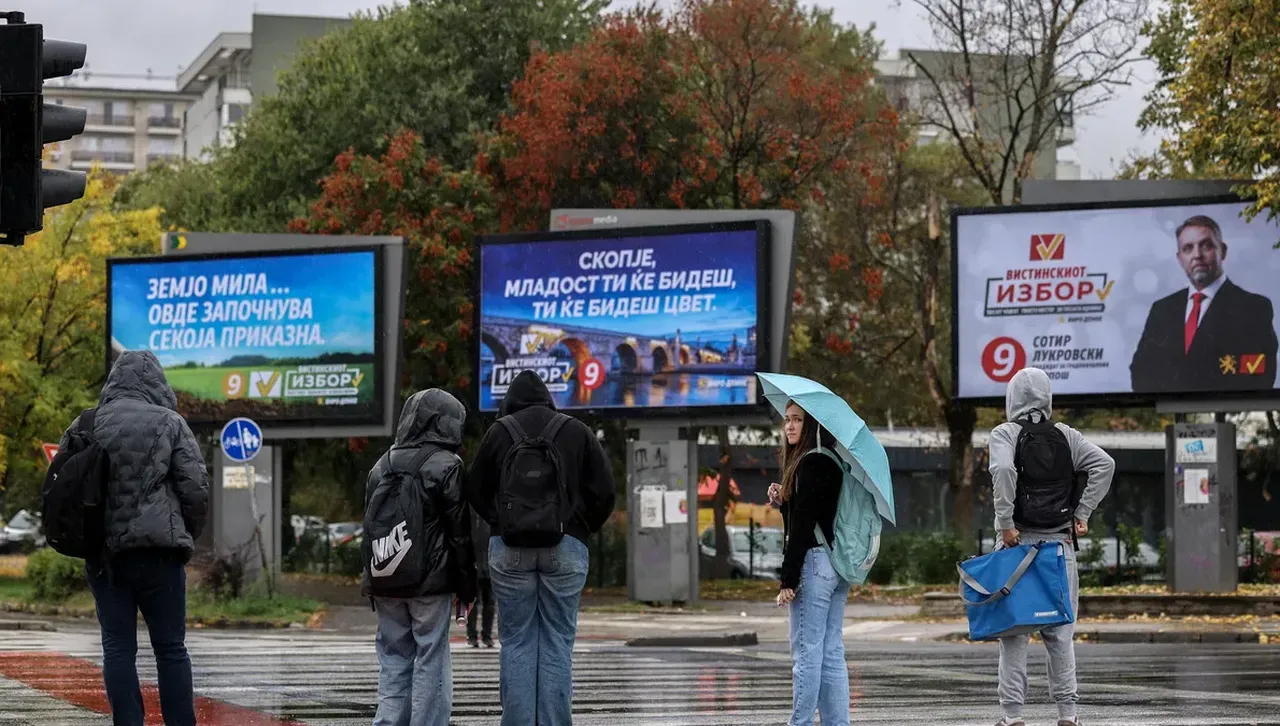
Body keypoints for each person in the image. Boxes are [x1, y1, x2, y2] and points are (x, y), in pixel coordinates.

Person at [56, 350, 208, 726]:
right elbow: (195, 489)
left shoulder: (85, 424)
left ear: (113, 380)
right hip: (160, 555)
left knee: (118, 649)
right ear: (157, 382)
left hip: (105, 557)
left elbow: (62, 488)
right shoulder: (171, 423)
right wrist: (185, 534)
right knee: (171, 649)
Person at [468, 370, 616, 726]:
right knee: (556, 643)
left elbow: (474, 489)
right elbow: (606, 492)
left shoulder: (500, 432)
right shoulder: (576, 431)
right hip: (566, 547)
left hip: (509, 549)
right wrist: (578, 528)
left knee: (516, 641)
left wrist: (501, 523)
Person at [988, 367, 1115, 726]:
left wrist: (1006, 523)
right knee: (1060, 634)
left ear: (1011, 398)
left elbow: (1002, 470)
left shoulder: (1006, 433)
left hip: (1017, 546)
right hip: (1060, 546)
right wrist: (1082, 513)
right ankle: (1068, 715)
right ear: (1047, 397)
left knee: (1014, 634)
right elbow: (1105, 465)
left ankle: (1013, 718)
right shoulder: (1067, 435)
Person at [362, 388, 476, 726]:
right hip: (430, 584)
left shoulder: (380, 465)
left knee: (393, 658)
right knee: (431, 659)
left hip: (385, 578)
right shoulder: (447, 465)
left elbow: (369, 528)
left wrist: (371, 578)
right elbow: (459, 534)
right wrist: (467, 588)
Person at [1130, 214, 1277, 392]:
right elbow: (1140, 371)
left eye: (1206, 245)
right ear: (1179, 259)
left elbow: (1259, 371)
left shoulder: (1253, 307)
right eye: (1188, 248)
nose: (1197, 255)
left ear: (1222, 250)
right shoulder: (1162, 309)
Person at [768, 401, 849, 726]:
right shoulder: (832, 459)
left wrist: (788, 580)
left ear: (811, 423)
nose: (789, 426)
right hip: (836, 564)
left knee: (806, 653)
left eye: (797, 419)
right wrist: (784, 500)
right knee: (830, 651)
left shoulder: (810, 462)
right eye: (786, 420)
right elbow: (815, 514)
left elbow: (802, 529)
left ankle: (799, 723)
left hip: (814, 565)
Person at [467, 510, 496, 648]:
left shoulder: (490, 512)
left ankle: (486, 635)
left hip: (489, 564)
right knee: (473, 602)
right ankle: (472, 635)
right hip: (474, 565)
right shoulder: (470, 512)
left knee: (489, 602)